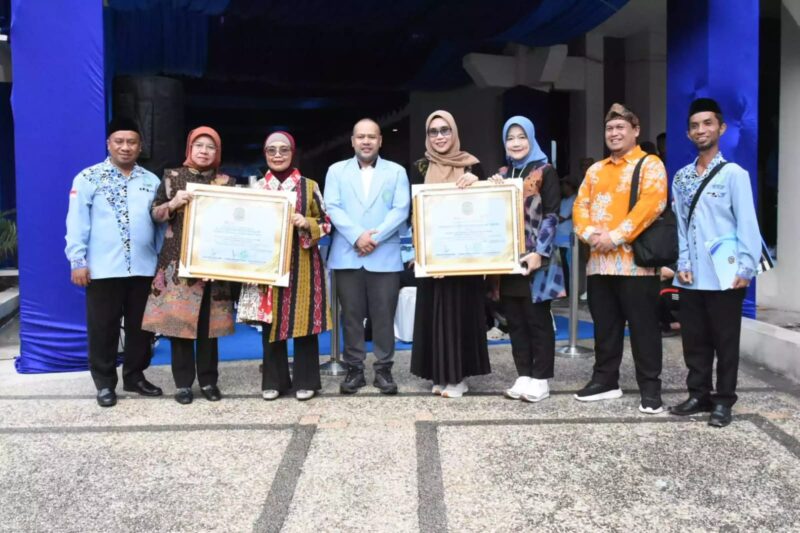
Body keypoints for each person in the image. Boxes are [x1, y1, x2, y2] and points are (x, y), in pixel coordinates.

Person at [669, 98, 762, 427]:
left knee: (725, 340)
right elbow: (680, 224)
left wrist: (746, 268)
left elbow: (747, 223)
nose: (700, 130)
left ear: (721, 128)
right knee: (694, 339)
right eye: (695, 125)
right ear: (688, 133)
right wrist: (682, 262)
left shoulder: (734, 174)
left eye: (707, 123)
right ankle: (698, 394)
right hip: (691, 275)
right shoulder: (680, 178)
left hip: (725, 275)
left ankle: (723, 401)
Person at [573, 103, 667, 413]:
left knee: (644, 329)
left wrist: (615, 236)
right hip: (599, 264)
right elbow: (579, 207)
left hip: (635, 265)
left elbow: (651, 205)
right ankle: (605, 380)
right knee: (605, 327)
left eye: (620, 128)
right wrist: (588, 234)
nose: (614, 134)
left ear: (635, 131)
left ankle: (650, 389)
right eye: (610, 129)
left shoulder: (650, 164)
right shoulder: (595, 170)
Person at [65, 117, 163, 407]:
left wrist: (159, 262)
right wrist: (77, 260)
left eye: (131, 142)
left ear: (140, 146)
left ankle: (135, 376)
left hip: (144, 268)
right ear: (108, 143)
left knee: (141, 328)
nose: (125, 147)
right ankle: (105, 383)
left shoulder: (151, 180)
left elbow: (158, 226)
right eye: (119, 141)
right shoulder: (88, 178)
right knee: (103, 328)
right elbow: (77, 222)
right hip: (103, 269)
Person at [141, 127, 236, 405]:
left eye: (210, 147)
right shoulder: (171, 177)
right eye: (199, 145)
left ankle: (208, 381)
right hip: (177, 264)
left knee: (209, 328)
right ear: (189, 149)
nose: (204, 151)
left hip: (214, 265)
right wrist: (173, 203)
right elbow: (156, 214)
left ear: (217, 152)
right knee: (178, 325)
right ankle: (183, 384)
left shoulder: (226, 181)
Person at [237, 131, 331, 401]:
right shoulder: (256, 189)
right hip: (268, 267)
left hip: (303, 266)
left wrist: (307, 223)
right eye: (271, 150)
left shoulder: (309, 186)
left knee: (304, 323)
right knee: (272, 324)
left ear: (293, 153)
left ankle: (306, 380)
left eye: (284, 150)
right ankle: (274, 381)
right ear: (265, 154)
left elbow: (327, 223)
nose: (277, 155)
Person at [324, 118, 410, 395]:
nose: (366, 141)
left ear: (380, 140)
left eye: (371, 136)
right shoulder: (336, 171)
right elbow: (333, 207)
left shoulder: (396, 172)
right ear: (352, 141)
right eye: (360, 136)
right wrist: (357, 236)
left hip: (383, 254)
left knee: (384, 315)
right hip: (348, 253)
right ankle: (354, 370)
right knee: (350, 315)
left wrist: (374, 237)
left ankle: (383, 369)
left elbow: (401, 209)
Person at [408, 110, 491, 398]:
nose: (440, 136)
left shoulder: (473, 166)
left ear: (454, 133)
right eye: (434, 132)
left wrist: (476, 184)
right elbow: (413, 212)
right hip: (432, 258)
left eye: (445, 130)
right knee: (435, 313)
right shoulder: (419, 167)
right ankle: (440, 375)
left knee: (459, 314)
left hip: (463, 258)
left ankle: (458, 378)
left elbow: (486, 206)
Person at [489, 116, 564, 403]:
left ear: (531, 139)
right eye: (511, 138)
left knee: (537, 319)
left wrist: (539, 253)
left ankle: (541, 378)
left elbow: (552, 215)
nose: (516, 143)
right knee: (515, 319)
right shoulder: (504, 173)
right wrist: (491, 187)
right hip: (508, 259)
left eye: (522, 137)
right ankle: (523, 374)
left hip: (536, 260)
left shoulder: (546, 170)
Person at [555, 174, 579, 295]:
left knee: (568, 267)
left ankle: (570, 293)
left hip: (567, 239)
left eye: (563, 185)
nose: (561, 188)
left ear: (570, 186)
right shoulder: (563, 200)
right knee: (561, 267)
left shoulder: (574, 199)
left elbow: (561, 217)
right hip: (559, 239)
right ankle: (563, 292)